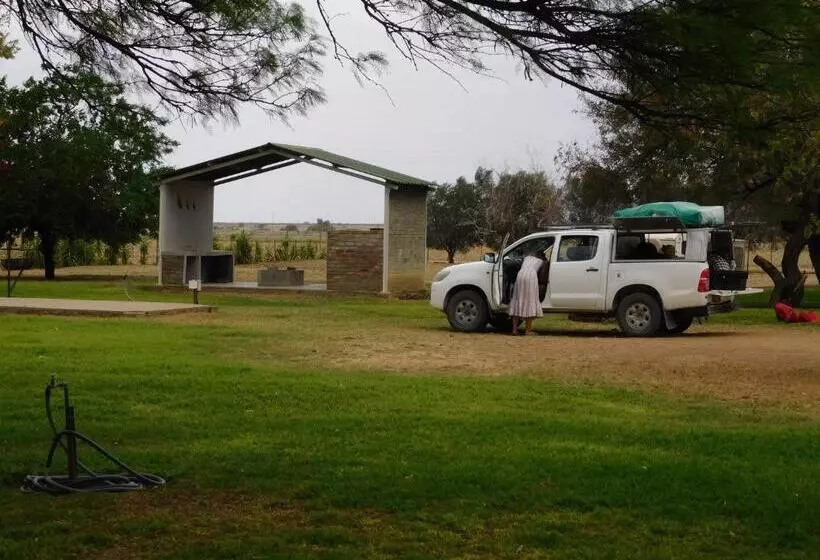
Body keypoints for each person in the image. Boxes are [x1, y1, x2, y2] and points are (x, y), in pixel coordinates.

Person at [509, 251, 545, 335]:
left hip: (520, 275)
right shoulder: (542, 261)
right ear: (541, 256)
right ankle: (528, 330)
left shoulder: (527, 258)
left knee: (518, 299)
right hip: (531, 276)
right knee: (529, 301)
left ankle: (514, 329)